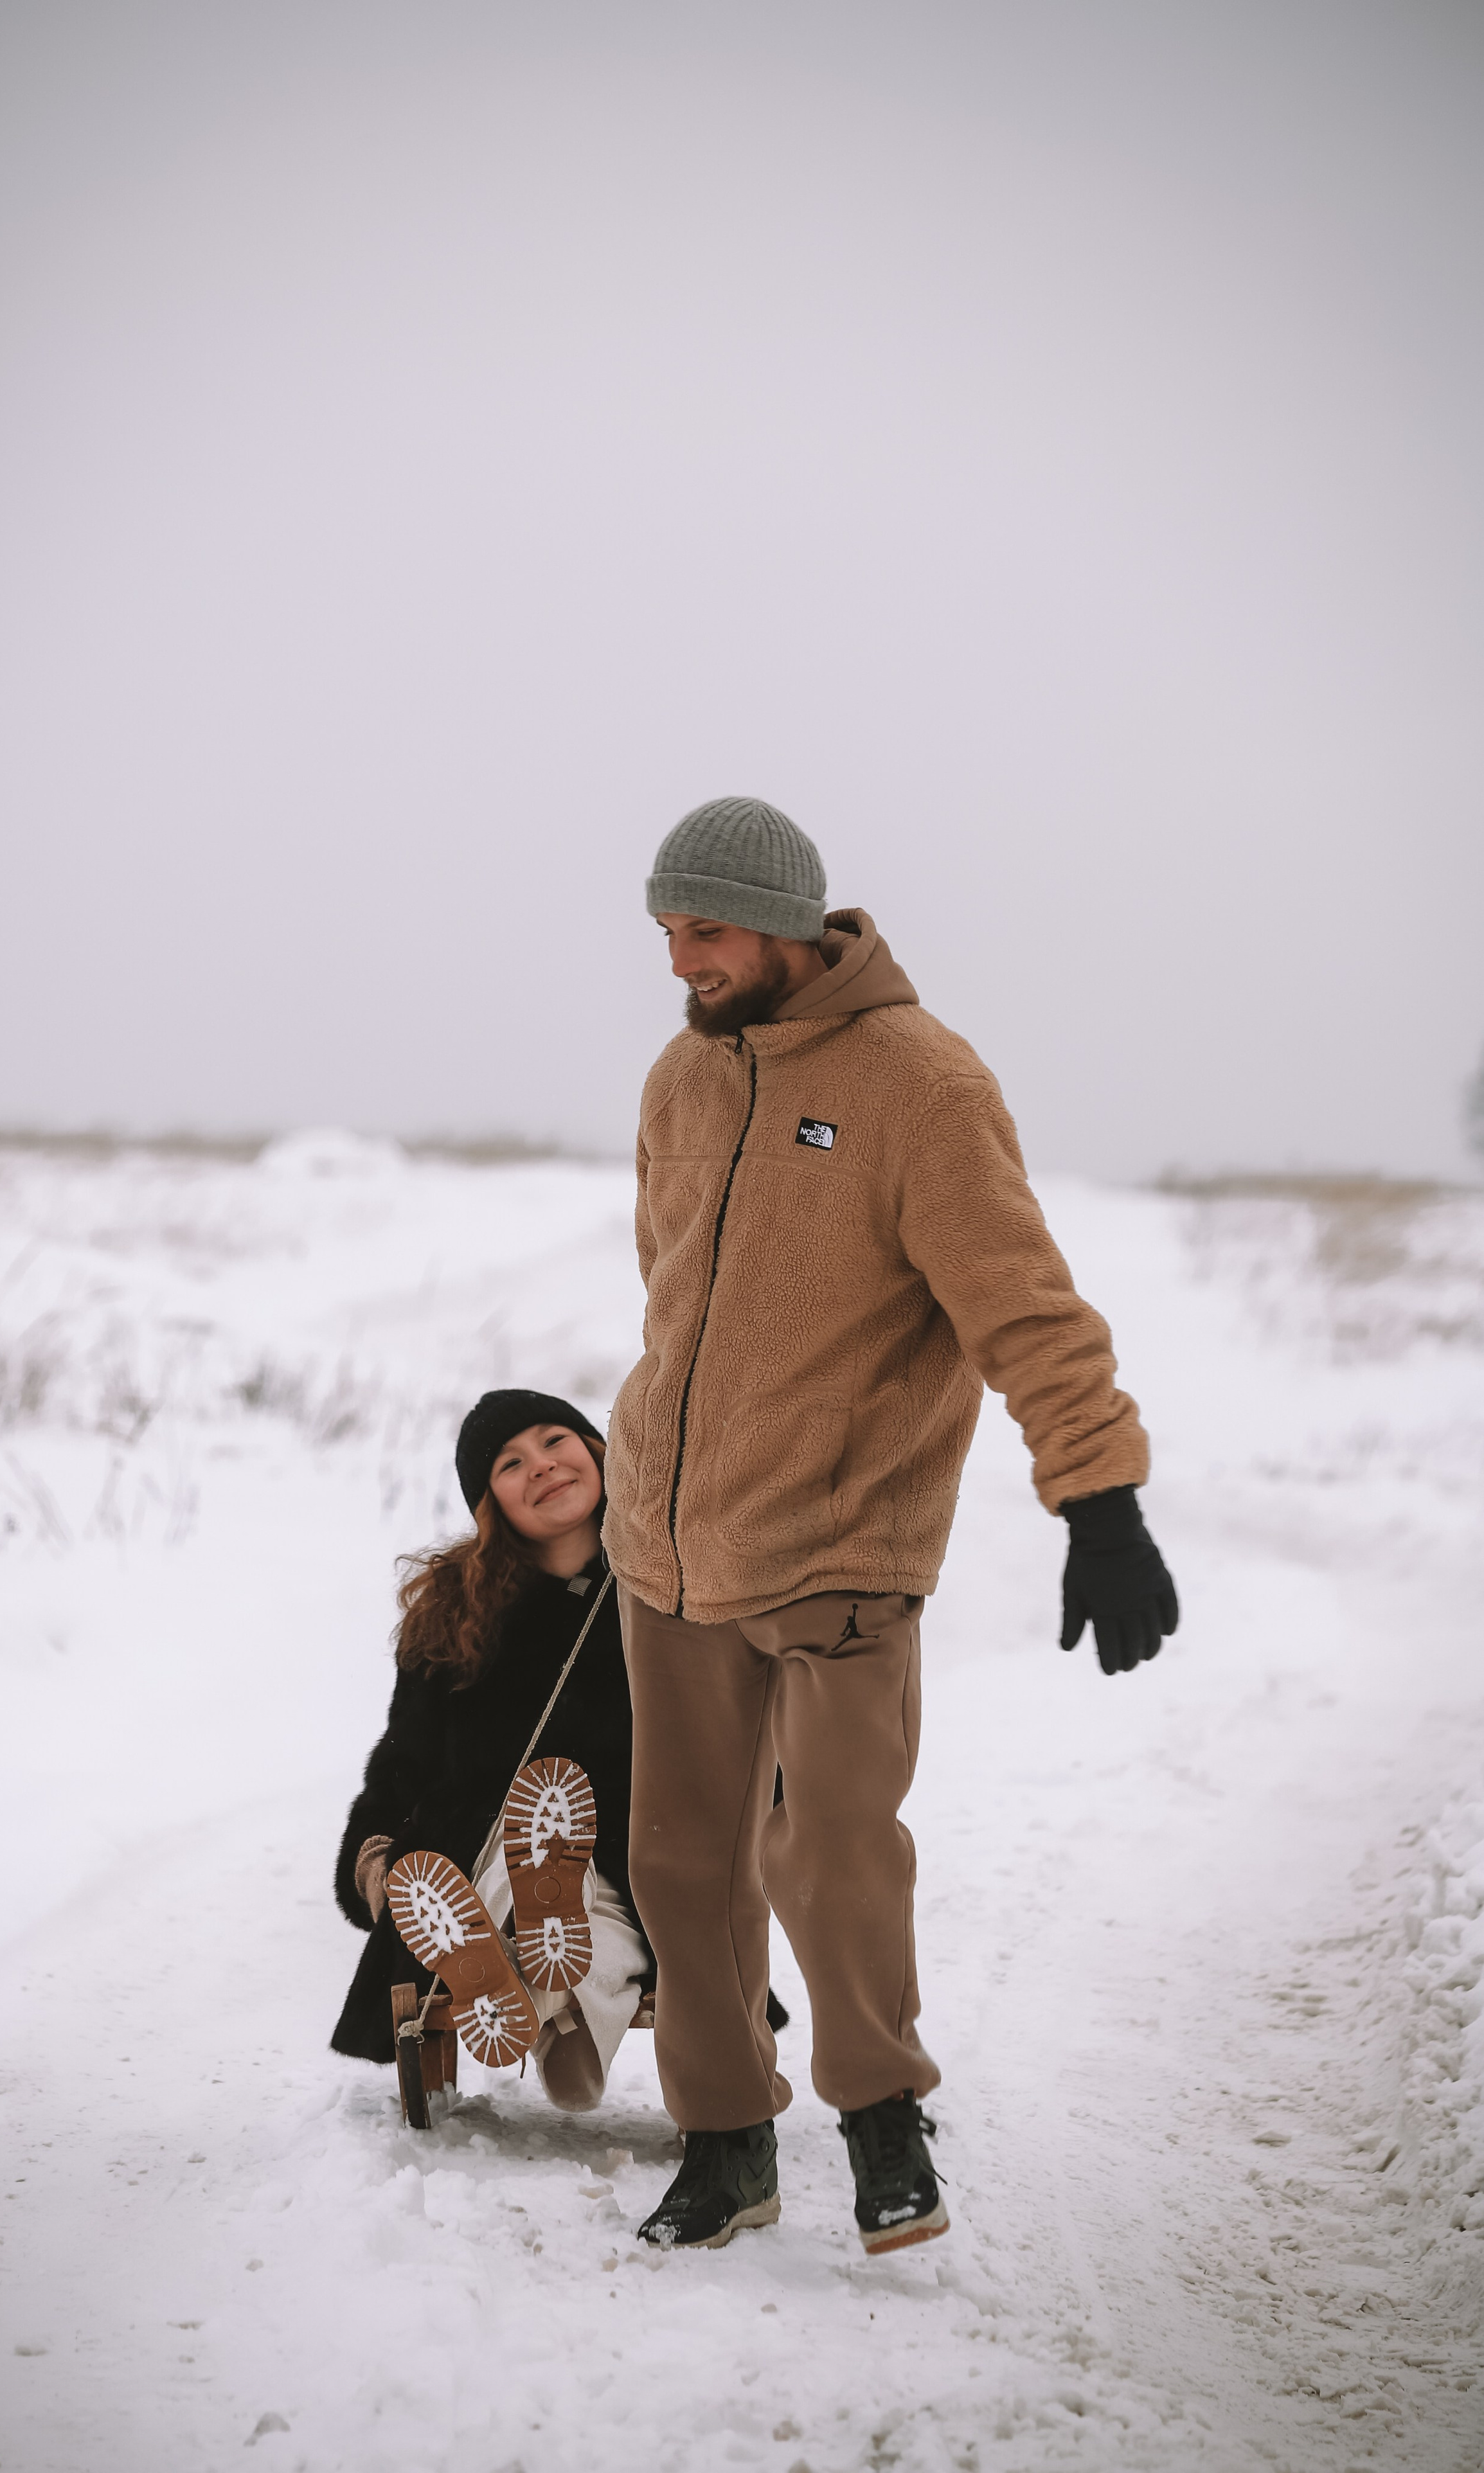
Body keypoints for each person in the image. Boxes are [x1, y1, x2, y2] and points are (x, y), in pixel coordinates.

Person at [602, 795, 1179, 2253]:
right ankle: (726, 2140)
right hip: (668, 1545)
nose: (683, 960)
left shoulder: (919, 1080)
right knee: (679, 1858)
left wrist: (1095, 1496)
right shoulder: (681, 1077)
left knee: (831, 1843)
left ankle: (878, 2115)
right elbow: (675, 1302)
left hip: (841, 1537)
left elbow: (1019, 1303)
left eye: (707, 929)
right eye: (668, 931)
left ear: (788, 925)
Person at [331, 1389, 652, 2112]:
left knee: (608, 1913)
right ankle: (550, 1997)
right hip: (478, 1853)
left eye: (553, 1441)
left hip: (635, 1853)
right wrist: (374, 1856)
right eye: (511, 1463)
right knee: (528, 1863)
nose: (540, 1466)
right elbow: (404, 1755)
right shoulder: (455, 1608)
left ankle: (511, 1978)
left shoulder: (664, 1580)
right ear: (489, 1502)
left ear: (596, 1450)